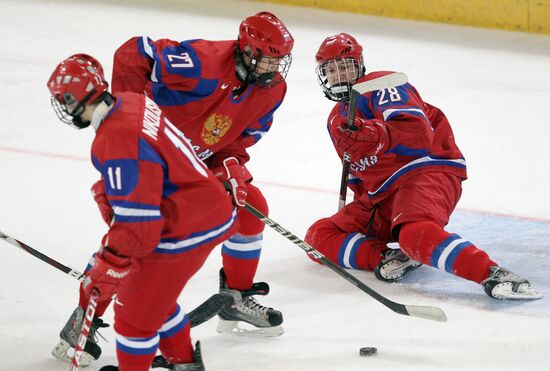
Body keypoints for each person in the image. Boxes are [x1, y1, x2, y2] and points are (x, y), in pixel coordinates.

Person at [304, 33, 542, 300]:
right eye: (332, 70)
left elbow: (418, 136)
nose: (340, 74)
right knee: (318, 236)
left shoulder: (381, 84)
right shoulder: (335, 119)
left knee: (414, 235)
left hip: (423, 171)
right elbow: (359, 175)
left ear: (359, 65)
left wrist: (375, 134)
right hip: (382, 195)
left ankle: (492, 273)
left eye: (346, 65)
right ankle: (389, 257)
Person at [108, 10, 294, 337]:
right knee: (142, 237)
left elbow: (237, 138)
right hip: (151, 160)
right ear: (248, 51)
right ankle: (98, 306)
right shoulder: (202, 63)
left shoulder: (272, 91)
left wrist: (230, 167)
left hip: (196, 164)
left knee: (253, 212)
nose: (275, 70)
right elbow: (131, 53)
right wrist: (130, 122)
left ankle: (236, 298)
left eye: (280, 62)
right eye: (269, 60)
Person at [47, 53, 238, 370]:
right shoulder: (130, 101)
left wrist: (108, 264)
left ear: (73, 98)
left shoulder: (118, 140)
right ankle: (184, 364)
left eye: (63, 100)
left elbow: (142, 232)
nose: (63, 108)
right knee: (153, 300)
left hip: (185, 226)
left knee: (133, 318)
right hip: (201, 207)